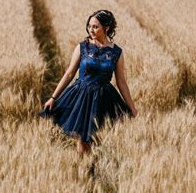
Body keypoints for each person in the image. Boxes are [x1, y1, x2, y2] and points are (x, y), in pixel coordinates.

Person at [40, 9, 138, 154]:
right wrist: (53, 98)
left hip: (104, 98)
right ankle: (83, 168)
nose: (91, 30)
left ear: (107, 28)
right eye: (89, 26)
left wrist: (132, 107)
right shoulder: (82, 47)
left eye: (95, 26)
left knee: (99, 137)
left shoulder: (116, 52)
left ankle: (95, 166)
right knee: (82, 137)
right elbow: (69, 74)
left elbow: (121, 82)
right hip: (81, 96)